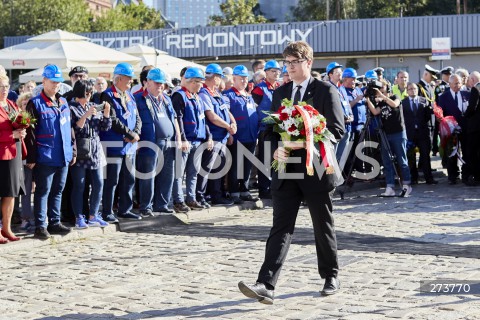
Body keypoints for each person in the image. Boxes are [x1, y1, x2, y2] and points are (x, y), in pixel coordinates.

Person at [238, 41, 345, 303]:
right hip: (285, 170)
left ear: (308, 62)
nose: (289, 67)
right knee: (281, 226)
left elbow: (337, 130)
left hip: (315, 168)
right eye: (287, 62)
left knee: (322, 223)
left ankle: (330, 275)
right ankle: (266, 284)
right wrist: (275, 149)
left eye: (294, 62)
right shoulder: (281, 92)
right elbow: (269, 128)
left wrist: (305, 142)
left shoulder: (325, 91)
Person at [25, 65, 75, 239]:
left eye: (58, 82)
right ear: (44, 81)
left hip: (63, 154)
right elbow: (30, 134)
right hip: (45, 155)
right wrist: (31, 156)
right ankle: (40, 225)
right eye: (53, 81)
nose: (56, 85)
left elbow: (69, 128)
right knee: (43, 190)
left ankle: (54, 221)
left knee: (58, 190)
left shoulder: (63, 102)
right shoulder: (35, 103)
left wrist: (73, 150)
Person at [135, 68, 182, 215]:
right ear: (147, 82)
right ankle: (146, 206)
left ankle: (161, 204)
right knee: (148, 175)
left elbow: (174, 120)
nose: (160, 86)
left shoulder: (166, 99)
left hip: (168, 141)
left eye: (162, 83)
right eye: (157, 83)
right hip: (149, 143)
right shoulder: (138, 98)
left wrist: (178, 138)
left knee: (167, 175)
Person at [100, 63, 142, 222]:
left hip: (130, 145)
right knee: (112, 180)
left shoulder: (129, 94)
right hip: (114, 144)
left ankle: (125, 209)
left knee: (129, 178)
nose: (131, 82)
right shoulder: (107, 95)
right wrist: (129, 133)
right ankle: (107, 211)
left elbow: (137, 116)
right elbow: (112, 119)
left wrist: (136, 133)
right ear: (118, 79)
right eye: (128, 79)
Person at [69, 80, 112, 228]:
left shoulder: (91, 106)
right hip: (80, 149)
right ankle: (78, 217)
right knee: (79, 185)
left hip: (95, 148)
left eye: (90, 93)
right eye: (87, 93)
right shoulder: (71, 107)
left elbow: (104, 128)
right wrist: (86, 115)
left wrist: (106, 114)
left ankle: (93, 215)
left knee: (99, 183)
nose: (89, 96)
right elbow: (75, 128)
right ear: (80, 93)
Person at [171, 67, 211, 212]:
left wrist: (209, 136)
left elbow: (203, 118)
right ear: (192, 82)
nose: (201, 85)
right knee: (179, 173)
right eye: (200, 82)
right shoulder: (179, 96)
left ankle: (191, 198)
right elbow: (178, 119)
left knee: (193, 172)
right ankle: (178, 200)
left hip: (197, 140)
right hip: (186, 140)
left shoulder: (197, 97)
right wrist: (182, 138)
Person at [197, 63, 237, 206]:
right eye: (220, 77)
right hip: (213, 137)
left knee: (219, 169)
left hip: (222, 136)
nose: (221, 80)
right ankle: (205, 196)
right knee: (209, 169)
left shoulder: (216, 94)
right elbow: (211, 116)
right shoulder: (204, 93)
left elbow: (226, 111)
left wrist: (233, 124)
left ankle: (217, 195)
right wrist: (228, 126)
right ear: (215, 78)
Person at [365, 79, 412, 196]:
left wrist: (382, 96)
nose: (380, 89)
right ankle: (390, 187)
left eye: (382, 87)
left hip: (398, 133)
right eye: (379, 88)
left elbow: (395, 104)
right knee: (387, 161)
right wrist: (367, 99)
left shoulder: (395, 96)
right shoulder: (381, 102)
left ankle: (407, 184)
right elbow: (375, 112)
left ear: (388, 88)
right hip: (386, 134)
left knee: (402, 160)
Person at [224, 65, 259, 204]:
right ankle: (234, 192)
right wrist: (229, 133)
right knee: (235, 166)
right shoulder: (228, 95)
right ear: (234, 79)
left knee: (247, 166)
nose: (244, 81)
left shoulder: (249, 96)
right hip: (238, 136)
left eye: (245, 78)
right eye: (241, 78)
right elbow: (226, 113)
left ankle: (244, 190)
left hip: (250, 136)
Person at [0, 74, 26, 243]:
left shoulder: (11, 104)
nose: (4, 90)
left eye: (7, 86)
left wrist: (23, 129)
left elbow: (19, 123)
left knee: (11, 193)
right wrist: (11, 134)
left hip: (14, 152)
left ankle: (6, 228)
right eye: (1, 87)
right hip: (1, 152)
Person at [251, 60, 281, 199]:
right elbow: (253, 109)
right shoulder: (259, 89)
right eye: (273, 71)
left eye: (278, 71)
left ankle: (274, 186)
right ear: (266, 72)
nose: (276, 73)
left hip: (279, 129)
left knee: (277, 159)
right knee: (265, 159)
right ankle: (264, 189)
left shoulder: (279, 88)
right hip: (265, 129)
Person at [402, 83, 438, 185]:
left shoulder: (424, 101)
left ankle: (429, 178)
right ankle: (414, 178)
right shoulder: (403, 103)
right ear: (407, 91)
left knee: (425, 156)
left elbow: (428, 116)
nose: (412, 90)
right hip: (410, 134)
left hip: (423, 132)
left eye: (414, 89)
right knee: (411, 156)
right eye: (410, 89)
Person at [438, 74, 470, 184]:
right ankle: (452, 176)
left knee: (466, 152)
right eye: (455, 83)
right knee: (451, 152)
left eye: (459, 82)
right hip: (451, 130)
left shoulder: (467, 95)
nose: (458, 85)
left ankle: (466, 175)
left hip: (465, 129)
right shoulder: (443, 97)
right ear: (450, 84)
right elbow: (441, 114)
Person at [16, 92, 35, 232]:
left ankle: (26, 218)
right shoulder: (15, 119)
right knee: (14, 190)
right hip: (16, 159)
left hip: (31, 160)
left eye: (29, 105)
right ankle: (15, 216)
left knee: (28, 190)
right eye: (24, 104)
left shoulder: (35, 120)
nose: (26, 107)